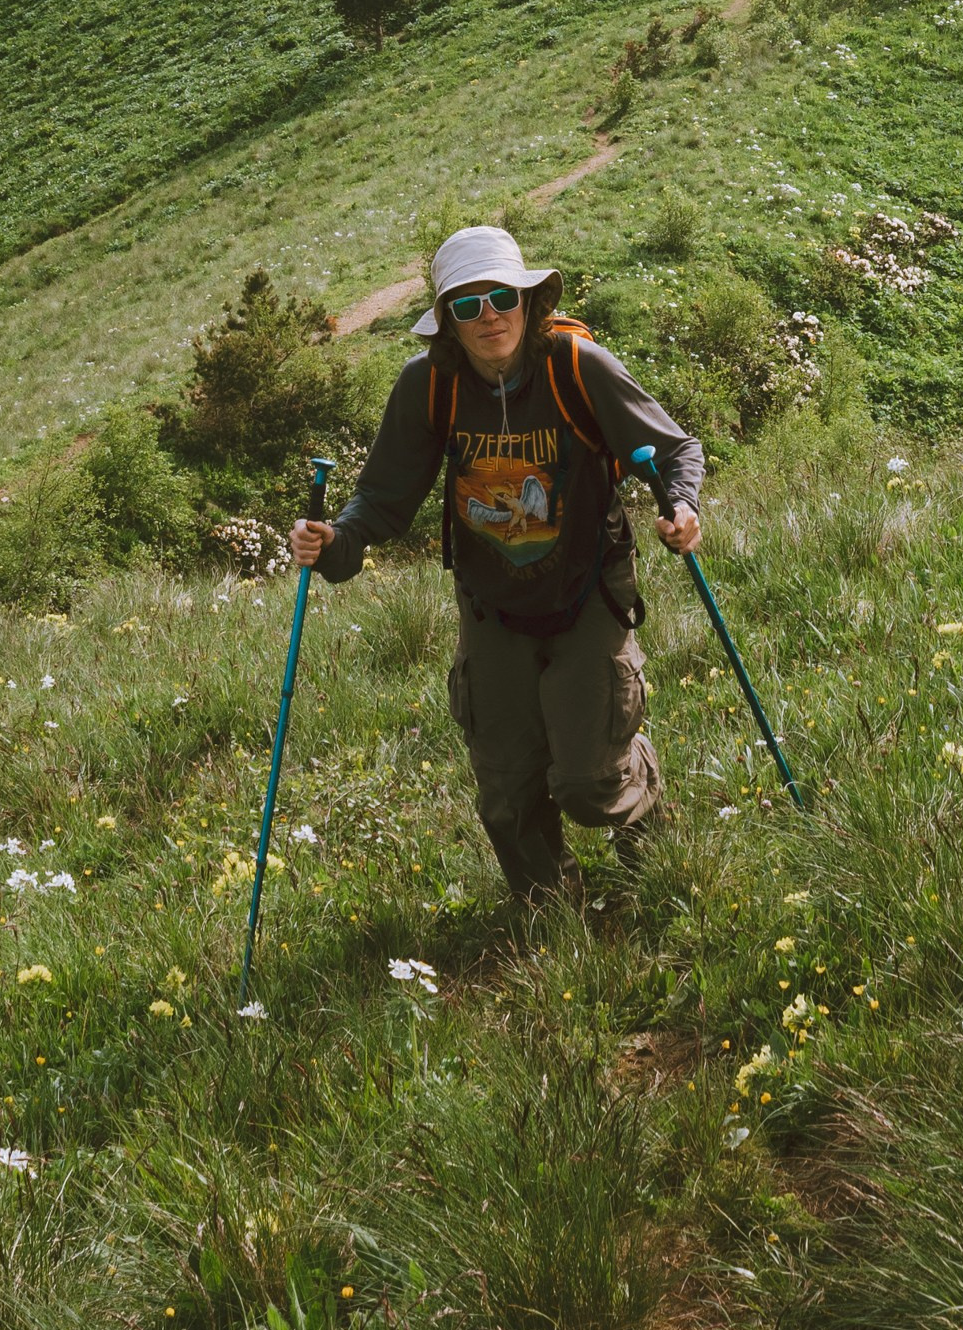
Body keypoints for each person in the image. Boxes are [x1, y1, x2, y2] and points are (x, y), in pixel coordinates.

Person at [288, 225, 704, 904]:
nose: (489, 318)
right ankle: (550, 913)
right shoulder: (429, 385)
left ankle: (644, 808)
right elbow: (381, 501)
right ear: (446, 321)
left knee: (586, 782)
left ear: (528, 299)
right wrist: (331, 543)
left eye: (501, 298)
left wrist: (681, 508)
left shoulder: (576, 365)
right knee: (507, 789)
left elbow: (673, 448)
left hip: (587, 594)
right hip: (491, 607)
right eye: (466, 304)